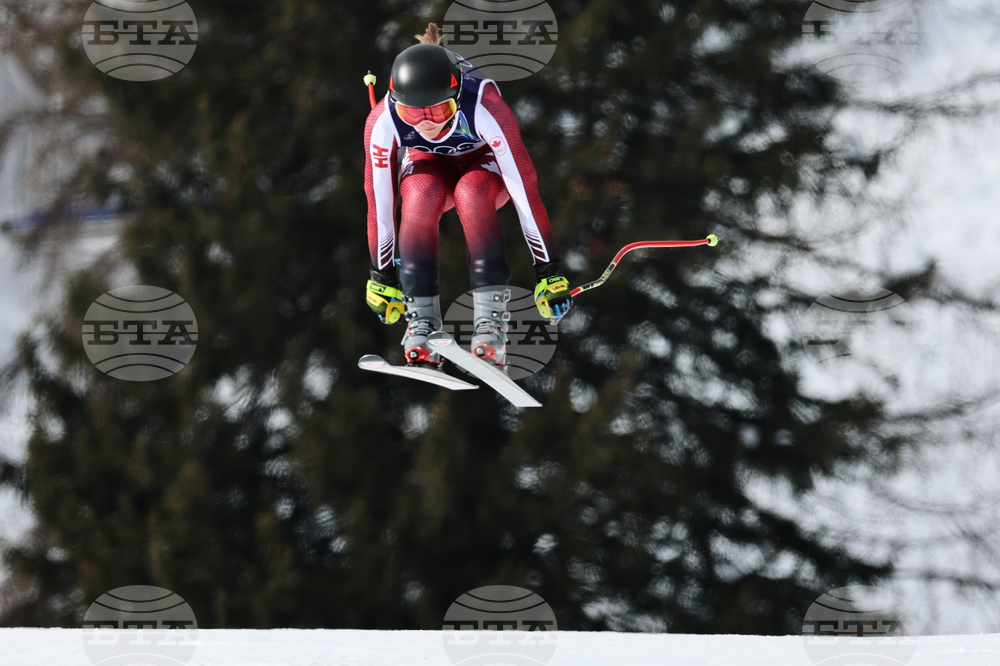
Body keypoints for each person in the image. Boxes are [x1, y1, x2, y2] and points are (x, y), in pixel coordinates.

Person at [364, 24, 572, 368]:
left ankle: (490, 324)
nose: (426, 124)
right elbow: (380, 204)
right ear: (396, 105)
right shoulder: (383, 121)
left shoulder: (484, 105)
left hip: (482, 167)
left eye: (437, 111)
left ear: (456, 96)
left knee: (470, 193)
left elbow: (524, 189)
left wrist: (548, 271)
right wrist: (381, 277)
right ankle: (422, 321)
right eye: (412, 114)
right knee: (419, 193)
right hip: (430, 167)